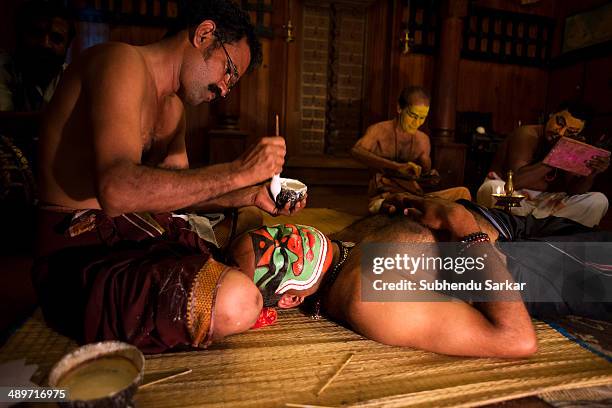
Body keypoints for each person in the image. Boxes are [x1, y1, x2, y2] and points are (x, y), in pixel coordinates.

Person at [33, 0, 305, 354]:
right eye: (229, 72)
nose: (224, 89)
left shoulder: (173, 105)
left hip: (130, 237)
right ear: (204, 34)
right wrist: (238, 171)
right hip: (76, 256)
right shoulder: (120, 62)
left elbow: (174, 195)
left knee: (253, 267)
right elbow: (117, 191)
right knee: (238, 301)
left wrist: (249, 194)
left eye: (233, 82)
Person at [229, 195, 611, 358]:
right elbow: (515, 340)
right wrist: (461, 225)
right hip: (512, 264)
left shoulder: (335, 250)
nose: (288, 239)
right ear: (292, 299)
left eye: (275, 233)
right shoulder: (365, 294)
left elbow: (245, 215)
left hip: (500, 224)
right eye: (279, 255)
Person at [476, 101, 610, 227]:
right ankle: (545, 229)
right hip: (516, 199)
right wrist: (556, 157)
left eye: (570, 132)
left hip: (544, 205)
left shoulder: (571, 145)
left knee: (598, 200)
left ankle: (537, 228)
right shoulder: (528, 134)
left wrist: (592, 174)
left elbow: (573, 191)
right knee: (492, 187)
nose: (561, 132)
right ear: (551, 114)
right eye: (560, 123)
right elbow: (515, 181)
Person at [351, 86, 470, 214]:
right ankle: (401, 209)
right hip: (384, 193)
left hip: (414, 196)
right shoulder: (379, 130)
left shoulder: (423, 139)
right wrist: (396, 166)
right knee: (387, 205)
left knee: (463, 193)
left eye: (422, 118)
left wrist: (429, 175)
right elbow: (356, 151)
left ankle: (412, 209)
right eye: (412, 116)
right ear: (399, 108)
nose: (417, 123)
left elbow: (425, 175)